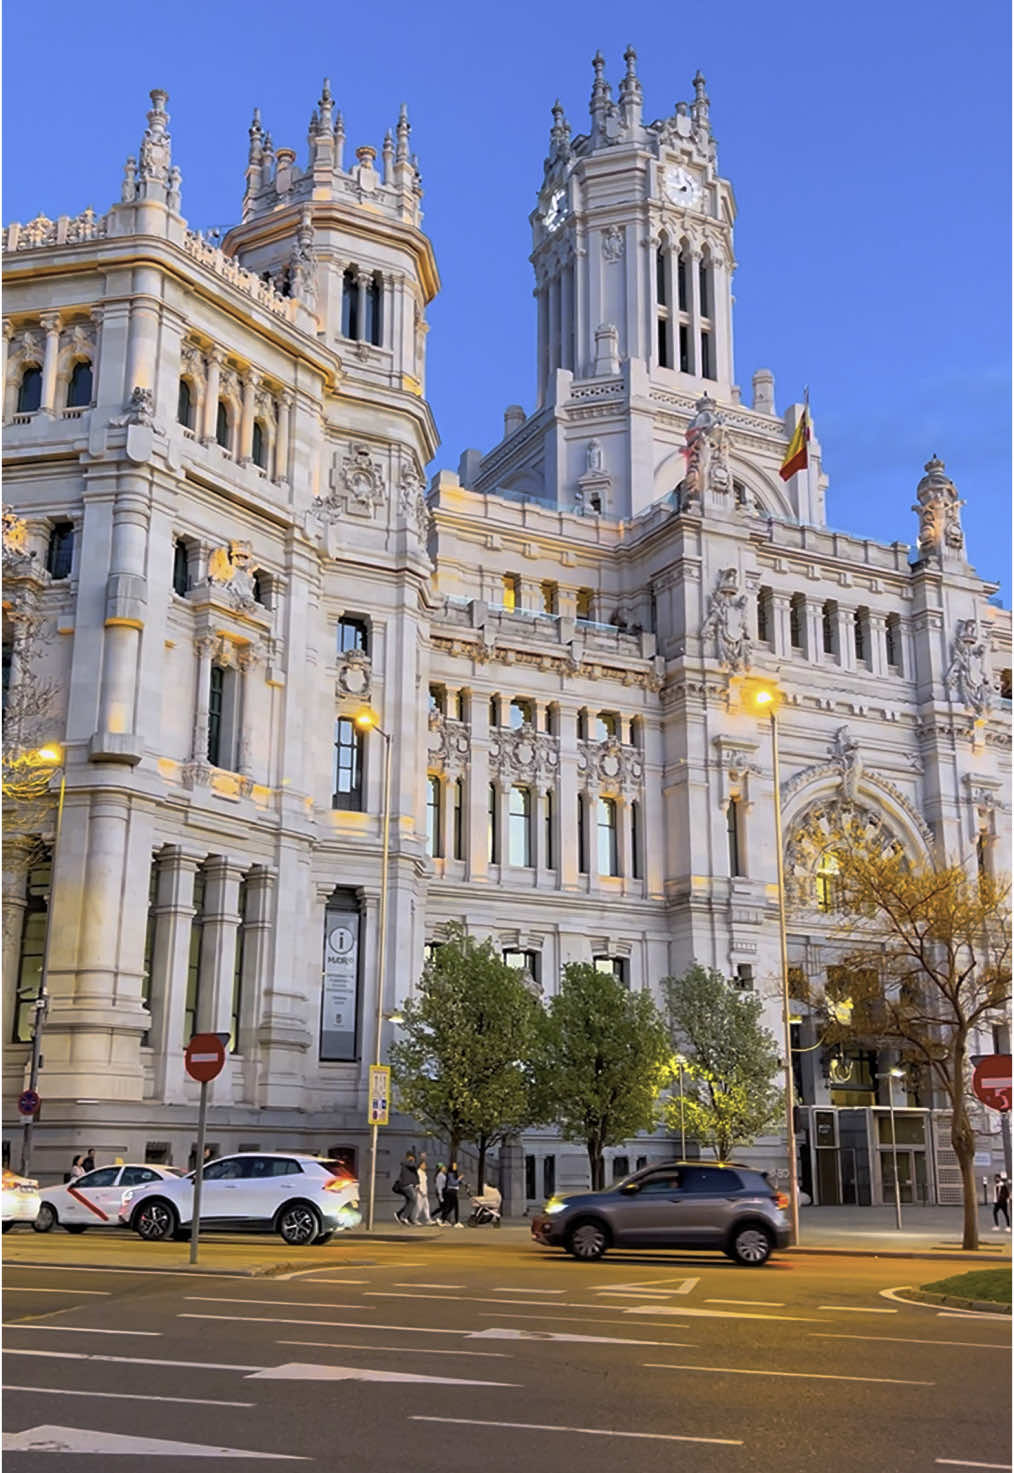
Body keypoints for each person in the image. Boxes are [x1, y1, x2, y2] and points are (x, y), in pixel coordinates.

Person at [393, 1151, 418, 1225]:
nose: (413, 1159)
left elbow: (414, 1174)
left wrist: (416, 1183)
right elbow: (412, 1165)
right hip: (406, 1185)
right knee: (413, 1200)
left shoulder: (410, 1165)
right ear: (409, 1157)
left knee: (410, 1201)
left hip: (409, 1185)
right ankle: (404, 1217)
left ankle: (400, 1214)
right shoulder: (406, 1163)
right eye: (412, 1157)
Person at [442, 1160, 462, 1227]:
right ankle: (456, 1222)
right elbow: (453, 1183)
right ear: (451, 1167)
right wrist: (459, 1179)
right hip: (451, 1191)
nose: (456, 1167)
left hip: (453, 1191)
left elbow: (457, 1182)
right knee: (456, 1206)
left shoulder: (454, 1174)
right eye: (454, 1166)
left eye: (456, 1166)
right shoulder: (450, 1174)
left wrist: (464, 1183)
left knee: (451, 1207)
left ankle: (443, 1219)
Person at [415, 1153, 433, 1225]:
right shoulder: (418, 1172)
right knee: (419, 1207)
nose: (425, 1166)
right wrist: (420, 1191)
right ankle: (415, 1219)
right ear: (420, 1165)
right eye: (424, 1165)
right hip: (420, 1193)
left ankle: (428, 1219)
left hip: (424, 1192)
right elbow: (417, 1183)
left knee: (426, 1206)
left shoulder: (423, 1172)